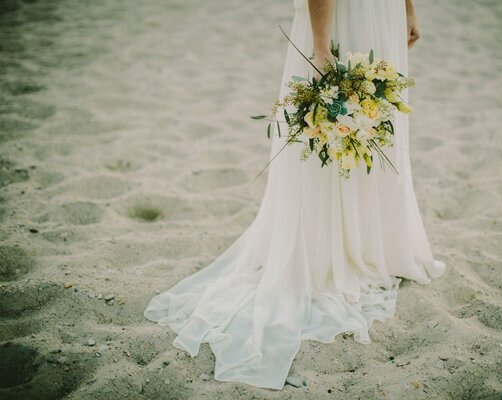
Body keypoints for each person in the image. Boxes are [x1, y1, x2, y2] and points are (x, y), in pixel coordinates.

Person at [144, 0, 447, 391]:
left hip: (382, 14)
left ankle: (371, 244)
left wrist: (407, 8)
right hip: (348, 17)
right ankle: (332, 248)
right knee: (339, 130)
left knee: (376, 126)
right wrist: (321, 47)